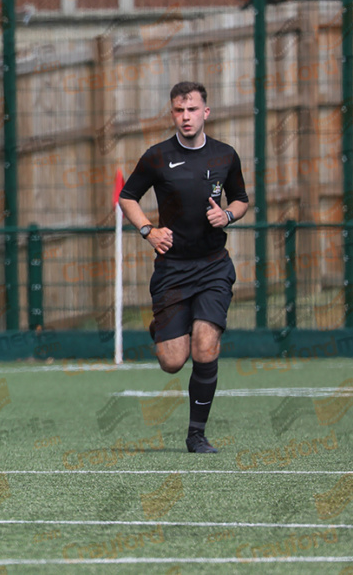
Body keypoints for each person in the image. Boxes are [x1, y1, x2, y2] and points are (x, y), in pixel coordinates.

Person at [118, 81, 249, 453]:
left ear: (205, 112)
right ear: (172, 113)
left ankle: (196, 435)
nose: (185, 116)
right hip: (172, 270)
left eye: (192, 109)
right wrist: (148, 230)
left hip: (212, 268)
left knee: (206, 346)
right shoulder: (157, 157)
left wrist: (227, 215)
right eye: (179, 110)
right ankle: (162, 327)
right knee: (173, 361)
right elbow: (127, 197)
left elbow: (241, 199)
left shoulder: (225, 155)